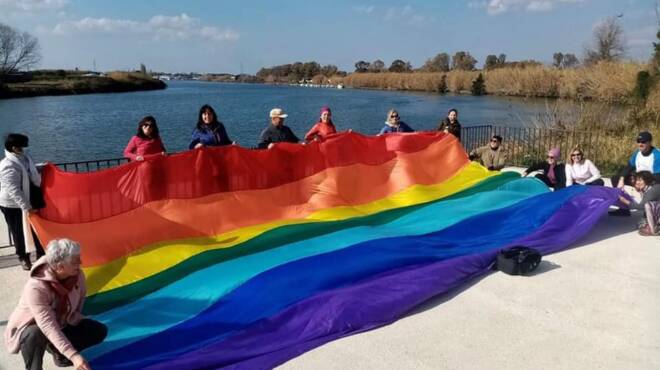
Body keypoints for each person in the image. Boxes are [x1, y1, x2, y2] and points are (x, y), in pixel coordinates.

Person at [4, 238, 107, 370]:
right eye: (75, 261)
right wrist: (74, 355)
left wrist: (72, 326)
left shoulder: (77, 275)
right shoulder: (35, 288)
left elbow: (79, 303)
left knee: (98, 331)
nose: (81, 263)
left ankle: (60, 353)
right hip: (38, 327)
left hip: (62, 322)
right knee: (33, 334)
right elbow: (47, 325)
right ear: (60, 267)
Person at [0, 133, 45, 271]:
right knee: (19, 232)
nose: (24, 149)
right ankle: (23, 257)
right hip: (12, 205)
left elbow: (28, 170)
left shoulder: (22, 158)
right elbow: (14, 190)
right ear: (14, 148)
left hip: (27, 199)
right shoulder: (7, 165)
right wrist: (27, 207)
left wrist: (42, 167)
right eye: (22, 147)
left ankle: (41, 255)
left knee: (35, 229)